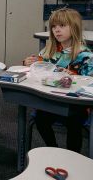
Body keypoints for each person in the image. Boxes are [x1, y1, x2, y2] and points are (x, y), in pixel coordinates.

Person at [23, 8, 93, 152]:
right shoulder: (50, 50)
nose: (57, 30)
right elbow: (40, 66)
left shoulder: (85, 54)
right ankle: (54, 150)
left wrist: (73, 76)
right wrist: (27, 62)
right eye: (54, 27)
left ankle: (71, 156)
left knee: (74, 124)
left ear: (74, 27)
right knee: (40, 119)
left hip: (75, 104)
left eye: (62, 26)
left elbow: (89, 81)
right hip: (52, 100)